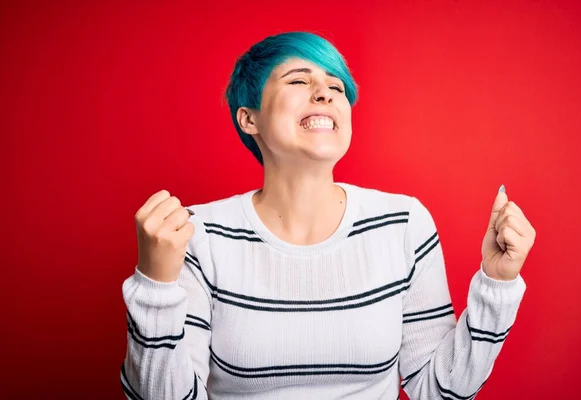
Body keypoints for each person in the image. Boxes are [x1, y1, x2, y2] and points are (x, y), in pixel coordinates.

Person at [120, 31, 536, 399]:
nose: (325, 94)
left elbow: (437, 389)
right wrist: (155, 286)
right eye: (299, 81)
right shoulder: (198, 235)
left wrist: (496, 285)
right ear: (249, 118)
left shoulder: (404, 224)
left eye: (336, 87)